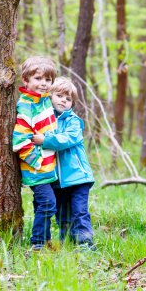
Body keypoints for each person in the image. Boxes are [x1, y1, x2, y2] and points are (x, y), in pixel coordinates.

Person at [33, 77, 95, 249]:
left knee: (80, 211)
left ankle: (85, 242)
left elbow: (66, 139)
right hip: (57, 179)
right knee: (62, 214)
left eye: (68, 99)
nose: (63, 101)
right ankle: (66, 241)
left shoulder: (73, 121)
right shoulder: (46, 120)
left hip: (78, 178)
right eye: (59, 96)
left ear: (72, 104)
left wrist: (44, 140)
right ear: (50, 97)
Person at [12, 56, 58, 250]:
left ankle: (45, 240)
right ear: (26, 80)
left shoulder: (44, 101)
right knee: (48, 204)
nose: (43, 84)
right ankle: (37, 243)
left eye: (48, 80)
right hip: (37, 169)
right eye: (38, 79)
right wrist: (37, 162)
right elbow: (20, 141)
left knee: (42, 205)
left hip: (49, 168)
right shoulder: (27, 106)